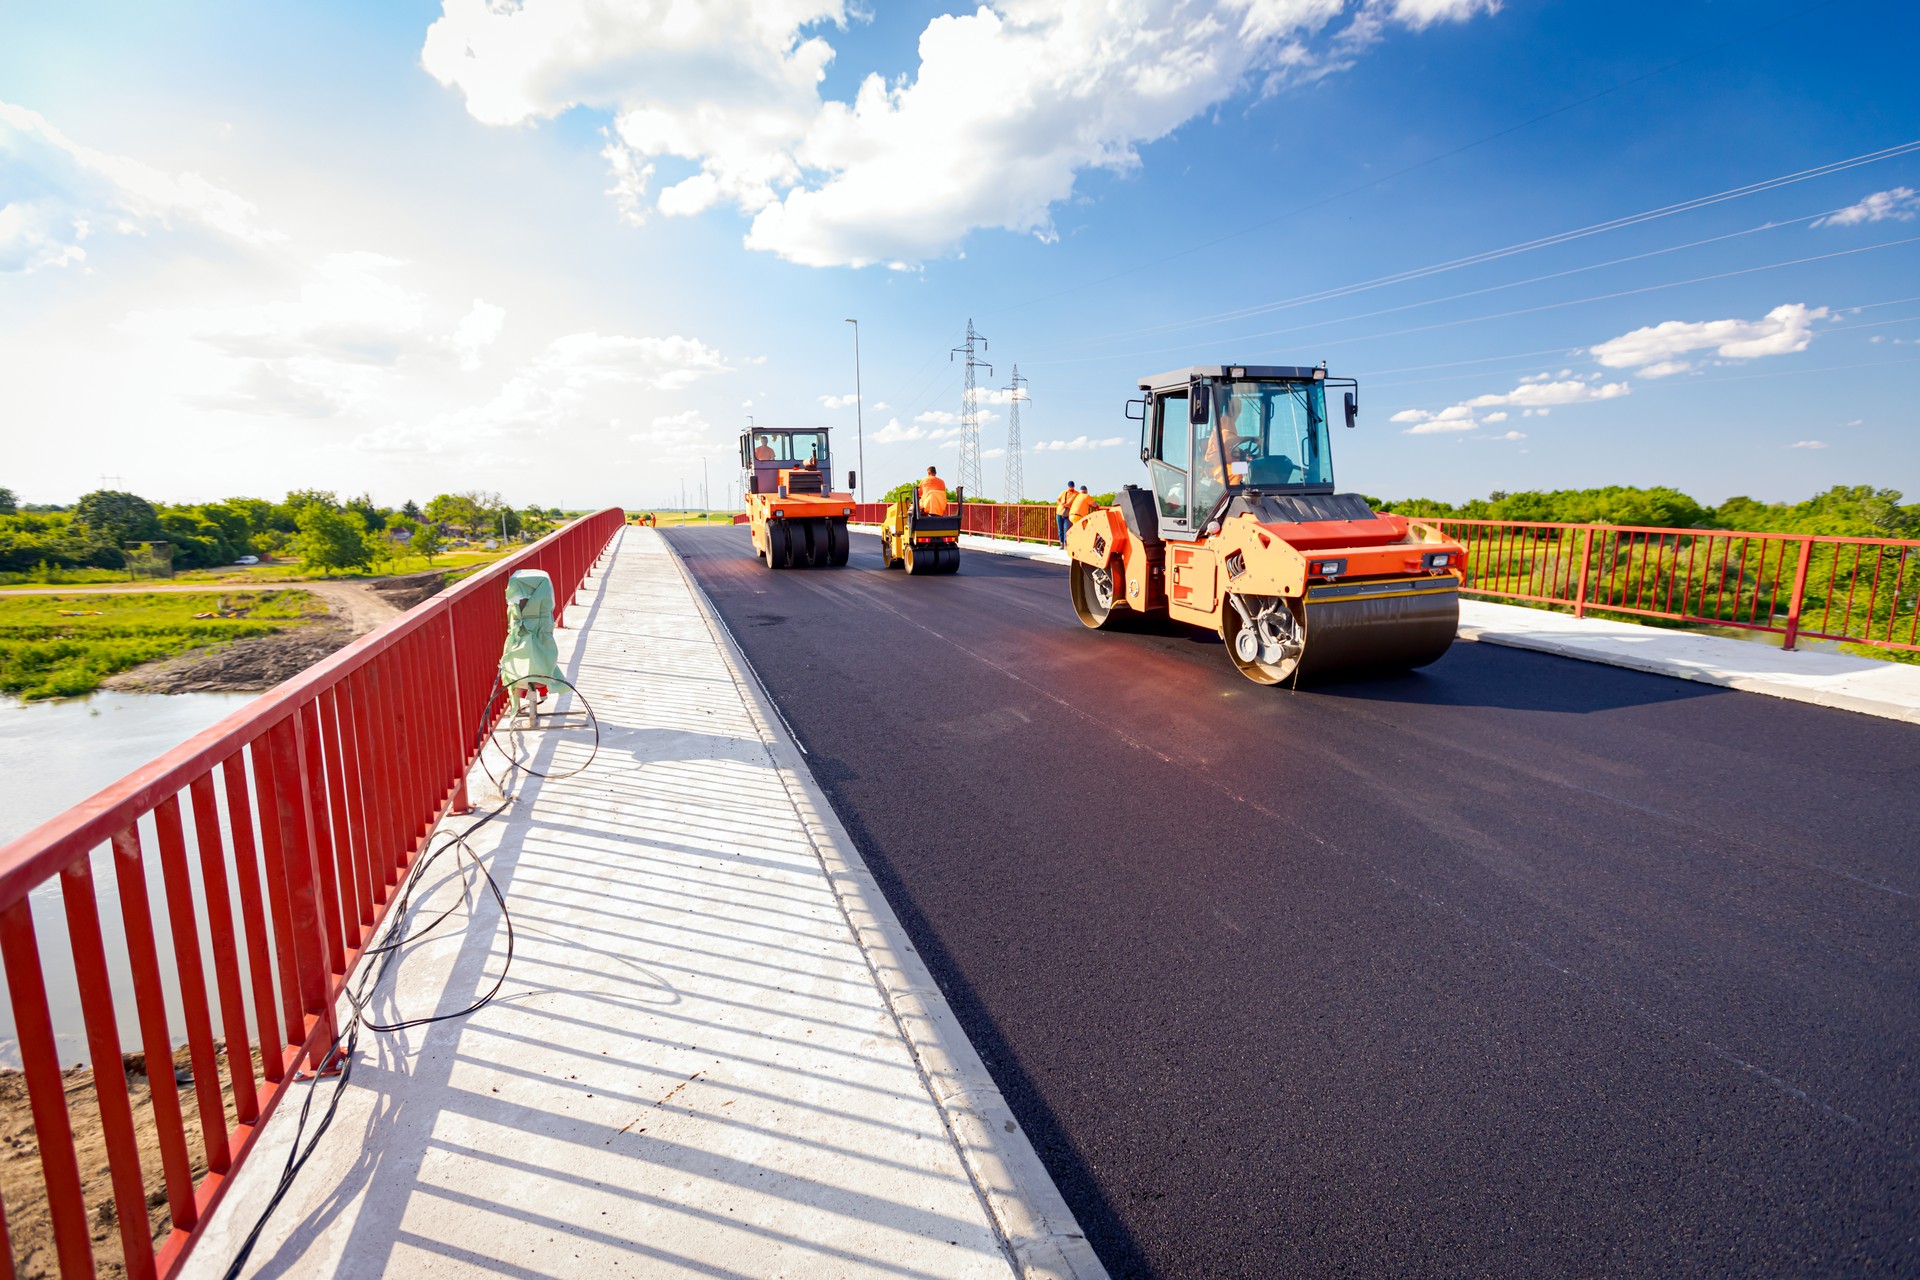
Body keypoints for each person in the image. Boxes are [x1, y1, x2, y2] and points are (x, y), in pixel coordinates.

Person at [1055, 479, 1077, 546]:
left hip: (1068, 513)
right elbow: (1058, 499)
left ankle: (1066, 543)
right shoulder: (1064, 492)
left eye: (1072, 487)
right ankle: (1061, 543)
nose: (1071, 488)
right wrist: (1062, 503)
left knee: (1066, 529)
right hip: (1059, 512)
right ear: (1068, 486)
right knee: (1060, 529)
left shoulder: (1076, 493)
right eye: (1070, 487)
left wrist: (1069, 505)